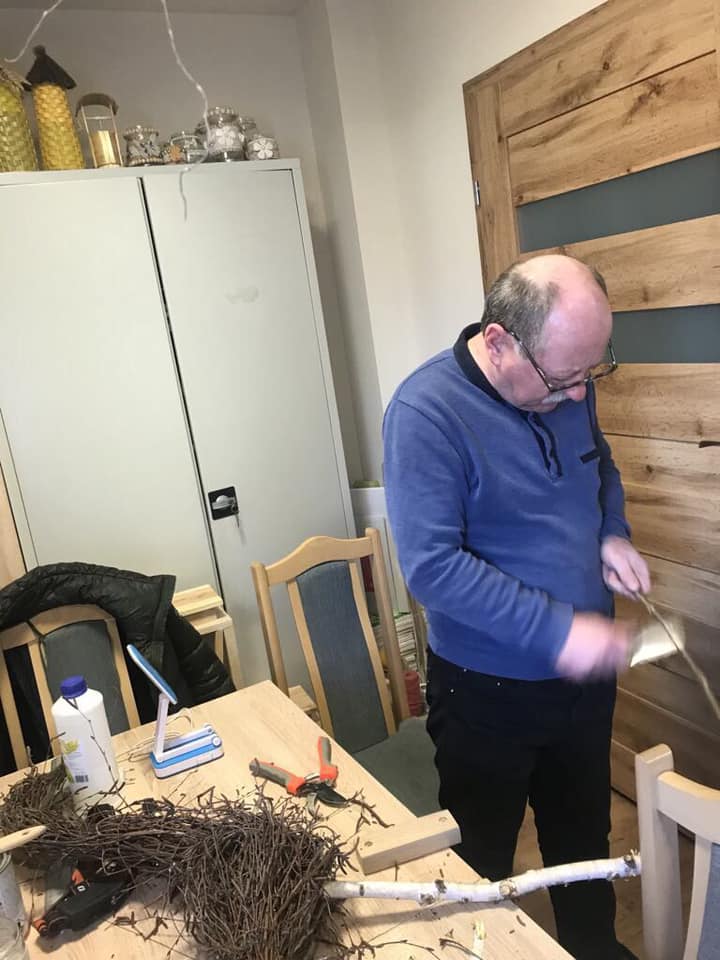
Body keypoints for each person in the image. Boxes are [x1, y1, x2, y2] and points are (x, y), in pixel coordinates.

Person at [383, 255, 650, 960]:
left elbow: (599, 465)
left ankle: (593, 947)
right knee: (480, 860)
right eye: (563, 380)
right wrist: (558, 631)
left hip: (581, 685)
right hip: (486, 692)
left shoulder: (567, 381)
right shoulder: (425, 414)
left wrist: (612, 532)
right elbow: (433, 568)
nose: (578, 395)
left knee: (583, 836)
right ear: (499, 342)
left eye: (591, 374)